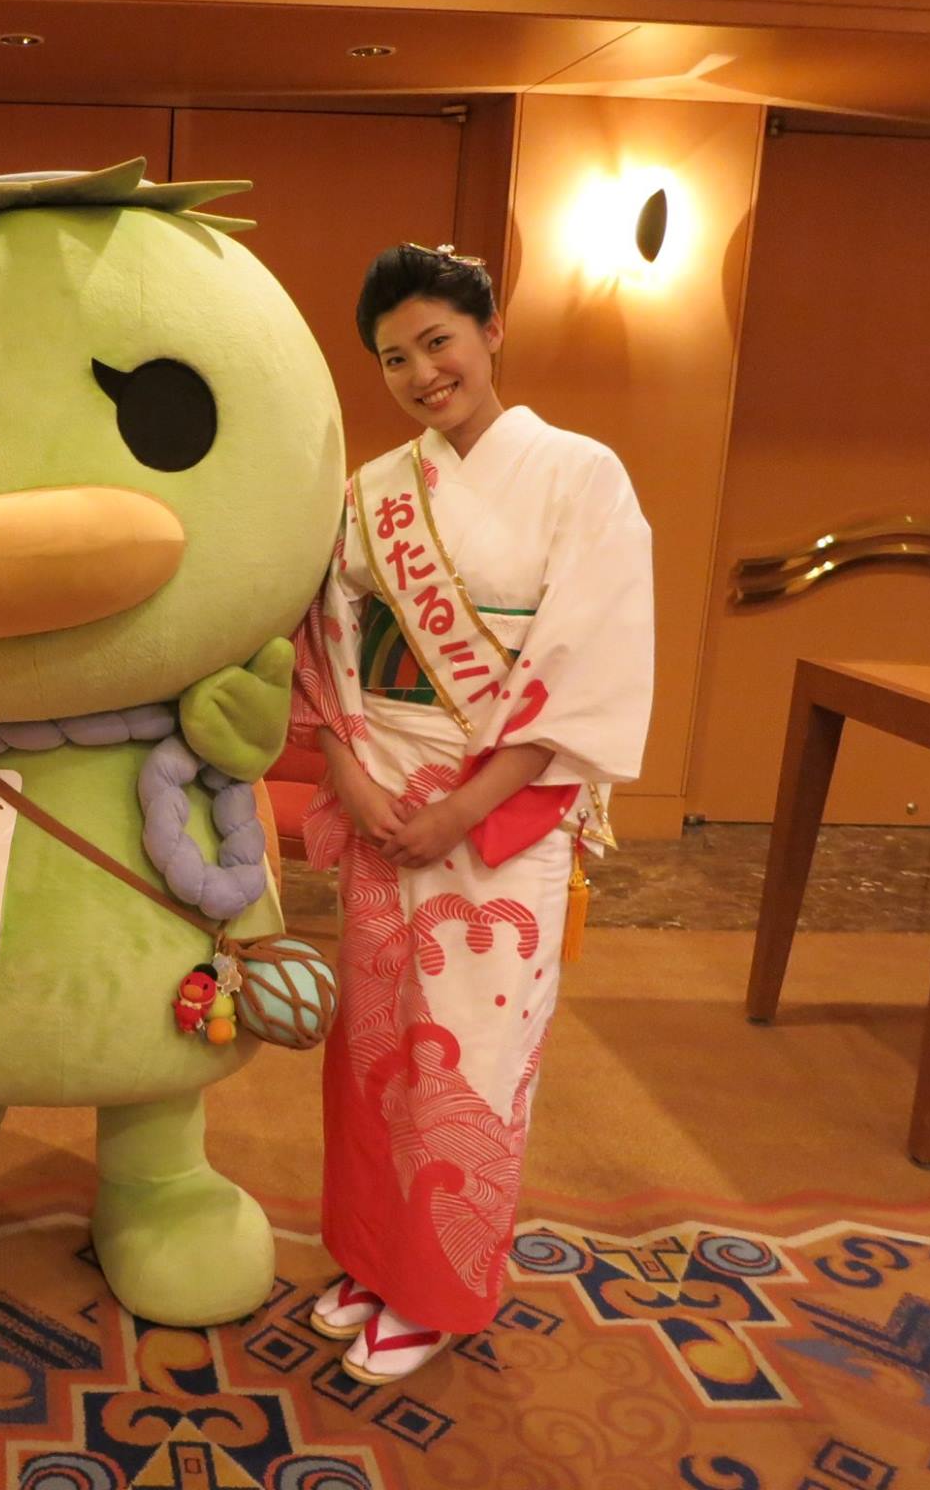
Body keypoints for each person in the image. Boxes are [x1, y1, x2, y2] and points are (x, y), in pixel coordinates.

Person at [288, 242, 653, 1383]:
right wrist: (350, 783)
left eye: (436, 342)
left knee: (469, 1061)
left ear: (490, 332)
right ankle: (367, 1254)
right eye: (392, 357)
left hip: (496, 815)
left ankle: (435, 1287)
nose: (417, 372)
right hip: (381, 796)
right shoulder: (372, 491)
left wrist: (465, 807)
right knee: (372, 1048)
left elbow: (583, 659)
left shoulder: (580, 474)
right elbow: (328, 647)